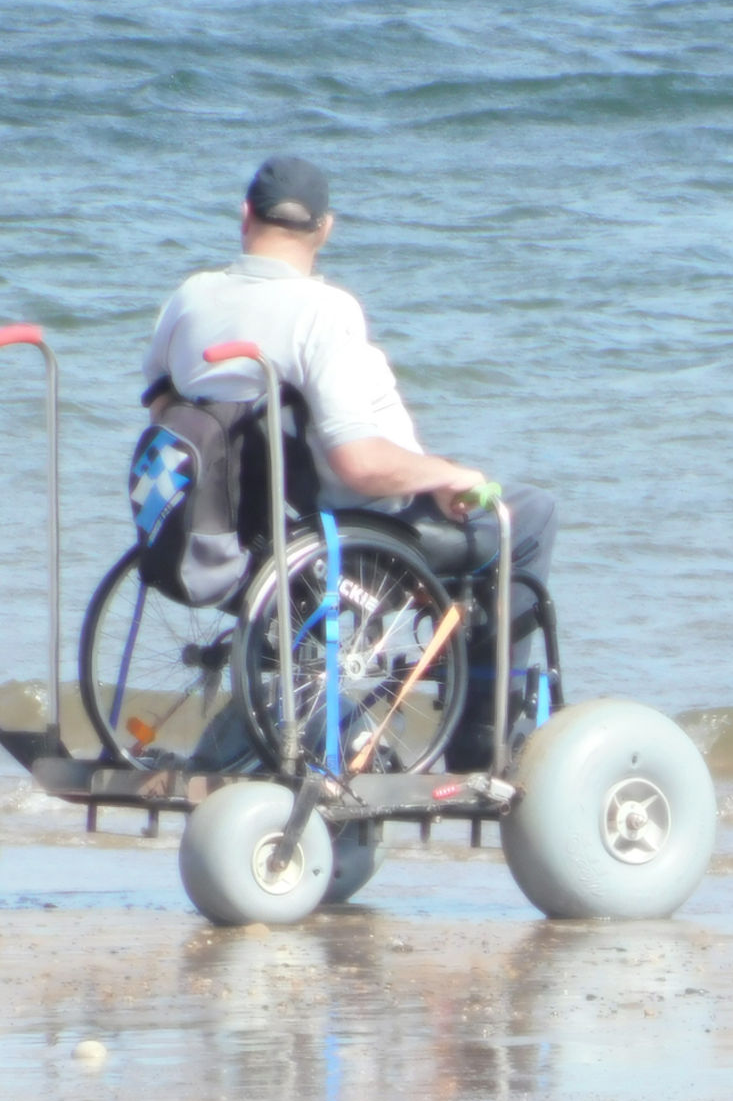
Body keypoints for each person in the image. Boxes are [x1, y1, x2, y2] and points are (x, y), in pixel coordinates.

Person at [142, 157, 557, 767]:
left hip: (253, 524)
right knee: (529, 516)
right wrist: (445, 473)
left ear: (245, 218)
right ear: (325, 229)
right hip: (356, 526)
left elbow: (160, 402)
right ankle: (483, 737)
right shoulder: (322, 311)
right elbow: (359, 465)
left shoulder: (191, 297)